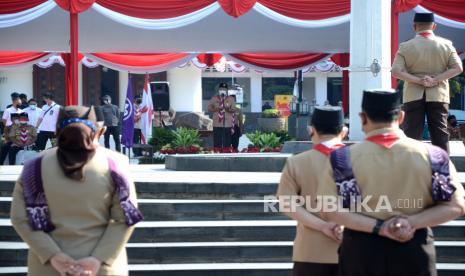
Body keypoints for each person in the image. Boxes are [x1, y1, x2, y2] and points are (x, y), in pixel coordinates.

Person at [317, 89, 465, 276]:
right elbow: (456, 205)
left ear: (363, 118)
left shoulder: (342, 159)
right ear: (401, 117)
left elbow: (328, 209)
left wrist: (380, 227)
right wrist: (410, 222)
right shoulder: (434, 156)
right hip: (414, 248)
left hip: (361, 251)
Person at [10, 105, 143, 276]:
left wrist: (54, 256)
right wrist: (98, 259)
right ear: (99, 132)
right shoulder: (115, 163)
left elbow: (21, 218)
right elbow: (124, 218)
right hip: (102, 268)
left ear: (57, 132)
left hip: (48, 268)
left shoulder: (34, 166)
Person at [277, 106, 346, 276]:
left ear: (311, 130)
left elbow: (287, 205)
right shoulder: (359, 160)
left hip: (310, 252)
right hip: (353, 252)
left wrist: (323, 226)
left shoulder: (297, 163)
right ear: (344, 131)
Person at [392, 12, 463, 153]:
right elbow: (458, 68)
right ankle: (442, 167)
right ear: (434, 26)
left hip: (413, 94)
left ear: (414, 26)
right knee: (440, 132)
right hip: (439, 94)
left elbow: (395, 71)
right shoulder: (446, 45)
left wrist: (419, 80)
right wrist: (435, 80)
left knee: (411, 132)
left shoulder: (405, 46)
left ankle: (411, 167)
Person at [208, 83, 236, 148]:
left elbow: (234, 110)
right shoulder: (214, 98)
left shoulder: (231, 99)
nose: (222, 90)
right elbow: (209, 109)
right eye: (221, 89)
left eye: (224, 89)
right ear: (218, 90)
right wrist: (217, 109)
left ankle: (226, 154)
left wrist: (227, 109)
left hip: (227, 124)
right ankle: (217, 154)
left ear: (227, 90)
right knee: (217, 142)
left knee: (227, 142)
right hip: (217, 124)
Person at [0, 92, 23, 164]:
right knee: (4, 149)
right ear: (14, 101)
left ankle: (11, 167)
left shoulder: (22, 111)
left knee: (12, 151)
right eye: (19, 100)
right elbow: (4, 120)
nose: (20, 101)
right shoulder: (8, 110)